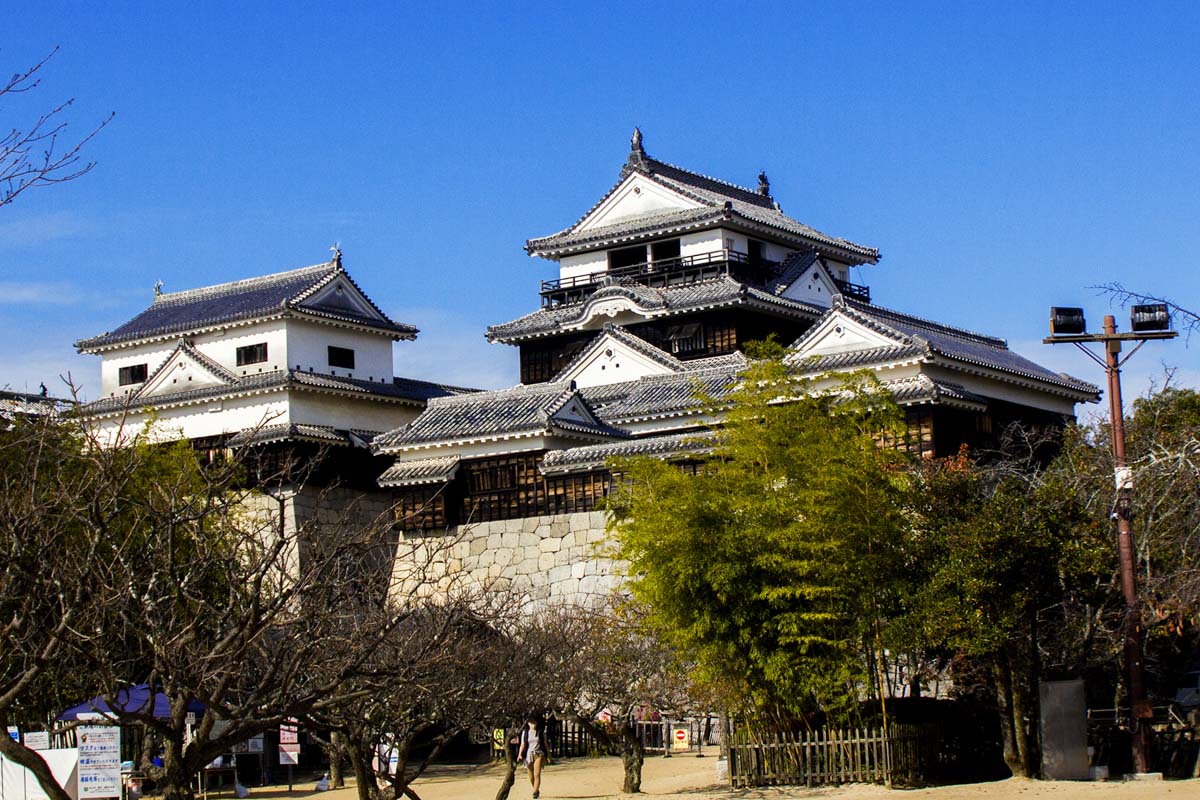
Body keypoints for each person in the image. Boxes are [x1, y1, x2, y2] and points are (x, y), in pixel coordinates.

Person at [516, 716, 546, 799]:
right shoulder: (525, 733)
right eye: (532, 723)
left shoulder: (540, 732)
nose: (533, 724)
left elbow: (545, 744)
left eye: (535, 723)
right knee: (531, 775)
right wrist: (520, 754)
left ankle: (535, 792)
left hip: (538, 753)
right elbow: (522, 744)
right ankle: (535, 788)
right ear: (528, 723)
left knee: (537, 774)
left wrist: (548, 756)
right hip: (528, 754)